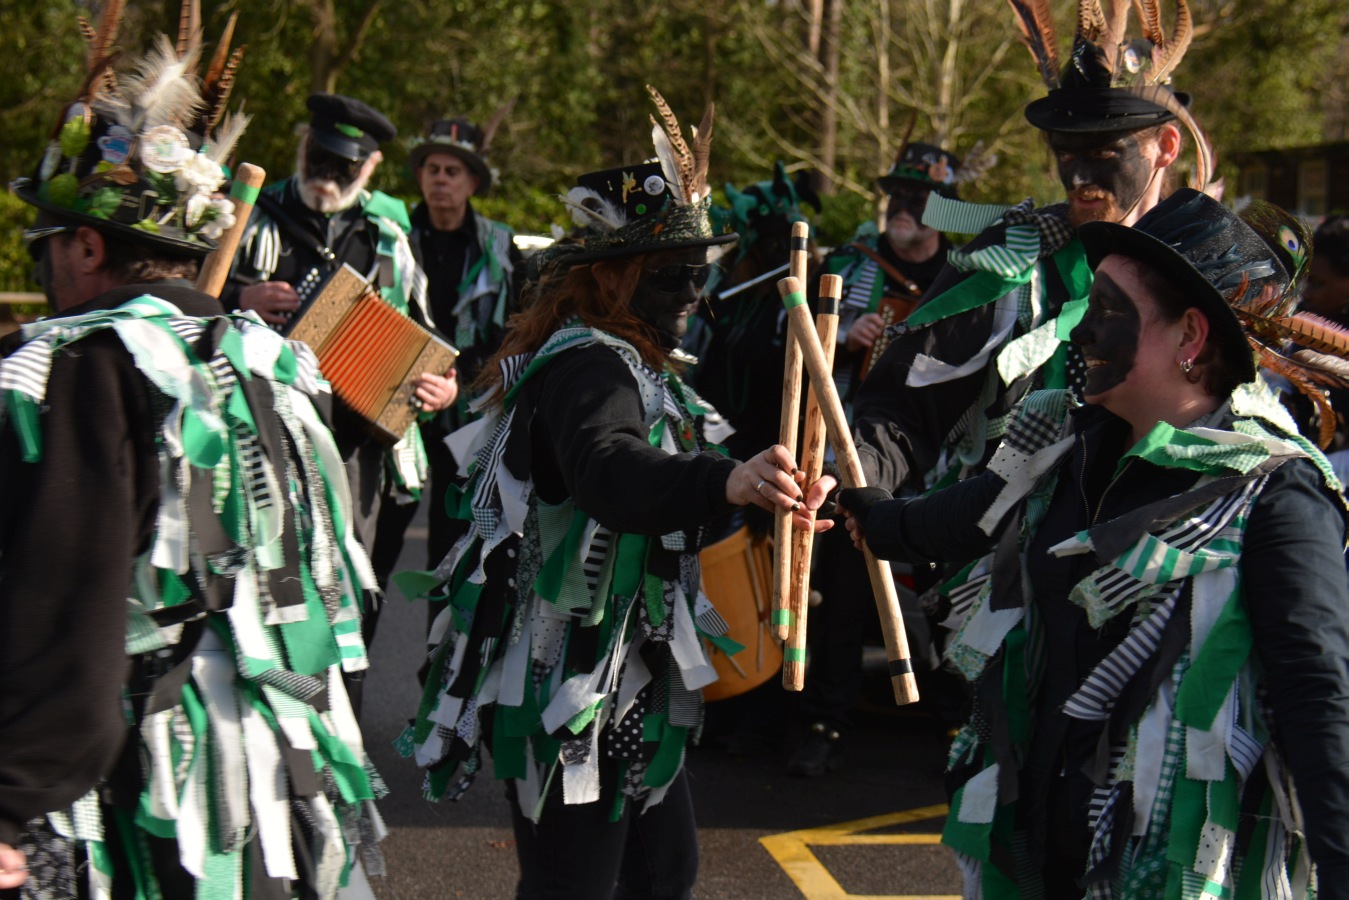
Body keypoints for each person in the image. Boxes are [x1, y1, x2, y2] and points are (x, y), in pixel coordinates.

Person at [829, 188, 1349, 898]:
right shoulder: (1067, 441)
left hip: (1165, 871)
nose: (1079, 333)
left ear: (1190, 337)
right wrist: (864, 508)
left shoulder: (1275, 495)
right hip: (1045, 841)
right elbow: (963, 517)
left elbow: (1318, 693)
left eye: (1107, 311)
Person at [400, 90, 826, 899]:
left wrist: (762, 481)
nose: (693, 293)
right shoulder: (589, 368)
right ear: (612, 278)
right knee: (579, 884)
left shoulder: (621, 359)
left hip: (620, 669)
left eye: (700, 272)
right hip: (569, 679)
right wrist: (724, 479)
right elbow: (610, 468)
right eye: (673, 274)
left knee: (660, 872)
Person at [1, 17, 382, 898]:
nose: (46, 269)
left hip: (145, 784)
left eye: (46, 245)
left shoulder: (82, 366)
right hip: (268, 765)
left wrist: (11, 796)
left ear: (87, 246)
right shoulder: (271, 360)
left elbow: (69, 602)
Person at [226, 94, 457, 700]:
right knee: (262, 575)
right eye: (321, 157)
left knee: (349, 585)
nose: (329, 174)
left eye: (345, 166)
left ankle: (339, 708)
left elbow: (425, 332)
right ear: (304, 145)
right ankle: (266, 702)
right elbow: (196, 305)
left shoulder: (386, 236)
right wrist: (239, 300)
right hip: (259, 430)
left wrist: (444, 384)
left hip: (353, 449)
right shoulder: (253, 216)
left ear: (371, 167)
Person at [789, 138, 970, 777]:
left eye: (919, 197)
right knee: (844, 594)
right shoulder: (851, 266)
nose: (903, 207)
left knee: (951, 591)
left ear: (944, 208)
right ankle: (827, 723)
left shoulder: (972, 274)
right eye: (896, 194)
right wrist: (843, 338)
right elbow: (789, 354)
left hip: (946, 463)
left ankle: (957, 720)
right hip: (857, 455)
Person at [406, 116, 522, 574]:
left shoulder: (500, 246)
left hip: (470, 414)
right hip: (399, 400)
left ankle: (440, 625)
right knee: (377, 539)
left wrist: (463, 385)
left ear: (471, 182)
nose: (441, 180)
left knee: (452, 549)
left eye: (452, 172)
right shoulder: (394, 235)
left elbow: (514, 333)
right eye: (432, 169)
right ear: (420, 176)